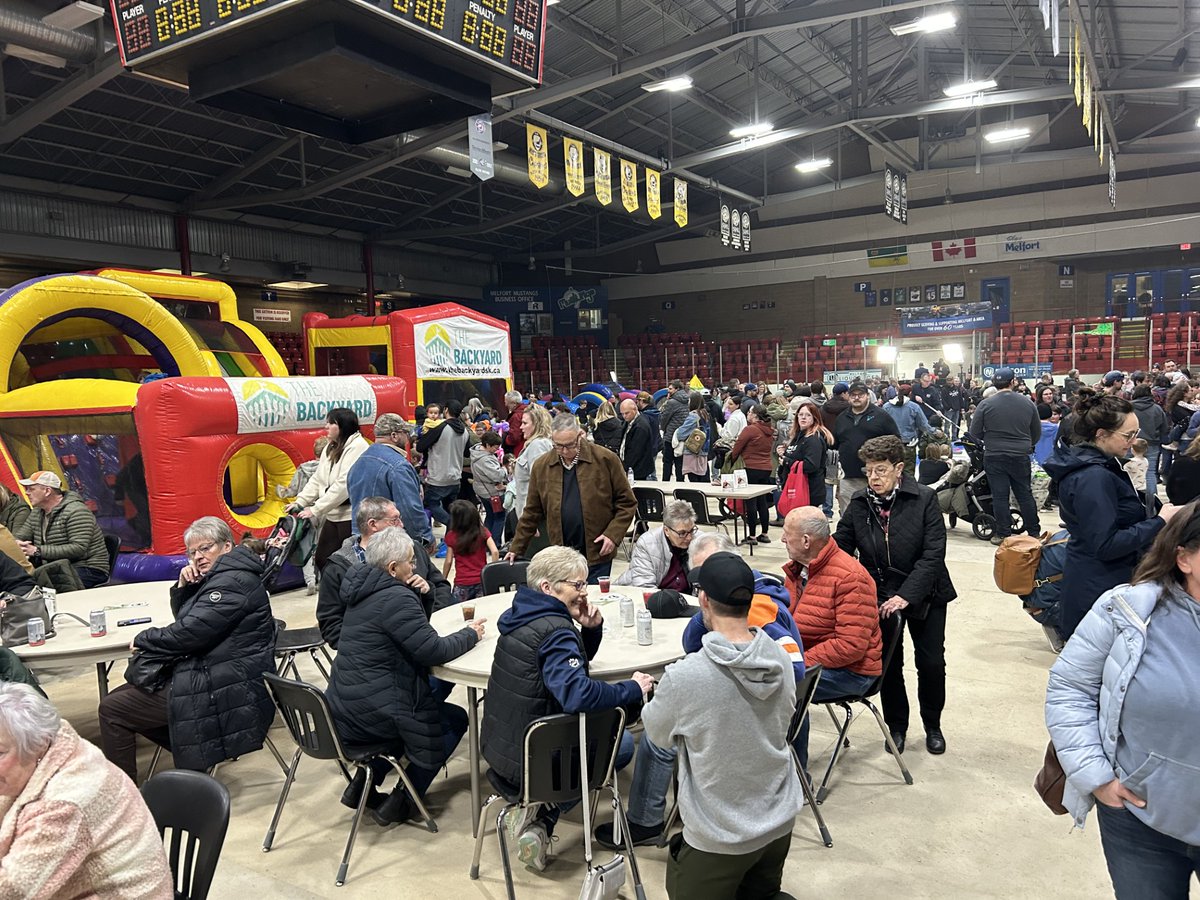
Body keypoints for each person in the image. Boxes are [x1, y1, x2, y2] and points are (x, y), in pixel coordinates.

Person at [596, 533, 804, 851]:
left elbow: (795, 668)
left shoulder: (762, 614)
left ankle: (645, 821)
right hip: (778, 803)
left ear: (706, 596)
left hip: (750, 742)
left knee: (656, 740)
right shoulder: (753, 607)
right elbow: (695, 644)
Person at [1045, 506, 1200, 899]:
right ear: (1184, 558)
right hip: (1139, 820)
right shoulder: (1128, 611)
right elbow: (1071, 688)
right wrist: (1095, 776)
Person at [641, 552, 805, 900]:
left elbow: (656, 735)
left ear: (703, 599)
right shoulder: (779, 657)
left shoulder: (686, 676)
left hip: (720, 836)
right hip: (779, 819)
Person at [480, 546, 655, 872]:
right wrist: (630, 689)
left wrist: (589, 629)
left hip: (500, 749)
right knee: (624, 743)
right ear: (549, 587)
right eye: (577, 585)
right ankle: (544, 815)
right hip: (531, 763)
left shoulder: (522, 614)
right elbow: (576, 695)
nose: (584, 591)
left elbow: (562, 674)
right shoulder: (556, 631)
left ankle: (537, 816)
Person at [97, 516, 276, 781]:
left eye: (206, 548)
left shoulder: (231, 582)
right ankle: (196, 752)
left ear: (227, 546)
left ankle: (123, 795)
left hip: (227, 682)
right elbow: (191, 621)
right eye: (192, 552)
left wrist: (145, 637)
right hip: (215, 667)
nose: (198, 557)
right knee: (128, 694)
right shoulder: (221, 576)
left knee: (113, 708)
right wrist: (184, 587)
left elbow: (188, 634)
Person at [326, 527, 483, 826]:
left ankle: (362, 786)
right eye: (411, 561)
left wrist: (423, 596)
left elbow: (408, 632)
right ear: (393, 567)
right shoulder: (394, 597)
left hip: (346, 706)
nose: (415, 565)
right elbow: (432, 650)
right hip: (375, 711)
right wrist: (470, 634)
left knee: (428, 699)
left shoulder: (363, 589)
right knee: (451, 719)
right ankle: (402, 801)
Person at [835, 436, 955, 755]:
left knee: (930, 662)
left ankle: (933, 725)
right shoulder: (860, 503)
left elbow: (933, 554)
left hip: (926, 592)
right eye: (869, 470)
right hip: (880, 595)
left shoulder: (925, 499)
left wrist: (906, 595)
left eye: (881, 470)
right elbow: (841, 547)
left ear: (899, 468)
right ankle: (896, 727)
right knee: (888, 664)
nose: (874, 477)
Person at [0, 684, 173, 898]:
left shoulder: (63, 803)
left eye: (0, 753)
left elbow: (12, 891)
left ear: (39, 743)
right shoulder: (53, 744)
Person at [1044, 393, 1182, 639]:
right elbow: (1106, 545)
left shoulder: (1102, 466)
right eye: (1128, 435)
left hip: (1102, 581)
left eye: (1135, 433)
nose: (1133, 441)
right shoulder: (1092, 477)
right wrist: (1160, 521)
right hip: (1097, 589)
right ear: (1101, 434)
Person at [781, 507, 882, 772]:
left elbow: (850, 646)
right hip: (810, 659)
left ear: (806, 541)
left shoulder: (850, 578)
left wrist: (797, 662)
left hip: (853, 672)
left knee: (782, 685)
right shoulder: (799, 570)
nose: (781, 539)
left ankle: (796, 779)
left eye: (786, 534)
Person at [506, 414, 637, 583]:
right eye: (558, 446)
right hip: (561, 556)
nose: (565, 451)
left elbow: (627, 503)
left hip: (597, 552)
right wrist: (517, 547)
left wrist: (613, 535)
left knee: (593, 601)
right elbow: (532, 511)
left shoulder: (606, 460)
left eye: (570, 445)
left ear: (580, 435)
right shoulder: (542, 466)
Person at [318, 496, 450, 648]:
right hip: (373, 658)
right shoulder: (338, 567)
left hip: (425, 641)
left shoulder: (413, 549)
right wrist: (372, 646)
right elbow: (331, 625)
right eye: (394, 520)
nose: (401, 525)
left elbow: (441, 586)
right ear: (372, 524)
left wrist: (429, 617)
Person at [288, 407, 370, 570]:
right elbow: (318, 478)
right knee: (322, 559)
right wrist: (301, 501)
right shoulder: (330, 447)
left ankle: (349, 593)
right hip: (333, 515)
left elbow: (343, 485)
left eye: (330, 423)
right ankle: (334, 593)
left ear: (342, 426)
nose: (326, 427)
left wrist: (316, 509)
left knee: (351, 564)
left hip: (350, 515)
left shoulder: (358, 447)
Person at [968, 367, 1042, 545]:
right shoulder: (1028, 403)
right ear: (1013, 382)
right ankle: (1034, 532)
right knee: (1024, 494)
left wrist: (991, 438)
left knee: (1000, 496)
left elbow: (974, 433)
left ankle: (1003, 533)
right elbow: (1036, 432)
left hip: (994, 455)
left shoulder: (985, 404)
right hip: (1020, 455)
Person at [347, 413, 432, 550]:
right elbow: (409, 508)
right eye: (405, 433)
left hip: (362, 539)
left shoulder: (358, 463)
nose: (408, 438)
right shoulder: (398, 466)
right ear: (394, 436)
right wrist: (424, 537)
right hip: (389, 543)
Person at [12, 470, 109, 591]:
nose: (26, 493)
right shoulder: (37, 512)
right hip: (57, 568)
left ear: (47, 491)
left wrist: (37, 551)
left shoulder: (76, 511)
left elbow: (78, 549)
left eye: (31, 489)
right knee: (19, 584)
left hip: (88, 568)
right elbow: (21, 536)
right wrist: (15, 543)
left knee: (37, 588)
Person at [833, 381, 900, 514]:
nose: (856, 398)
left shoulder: (881, 416)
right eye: (853, 395)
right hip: (848, 476)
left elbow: (895, 441)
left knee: (876, 514)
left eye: (860, 394)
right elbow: (835, 443)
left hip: (876, 477)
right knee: (849, 515)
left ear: (868, 396)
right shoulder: (842, 418)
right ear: (848, 396)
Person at [613, 499, 696, 589]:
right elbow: (645, 588)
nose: (689, 537)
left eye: (692, 530)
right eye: (682, 533)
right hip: (636, 595)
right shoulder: (647, 544)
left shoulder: (700, 540)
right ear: (666, 530)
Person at [416, 398, 471, 529]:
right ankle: (450, 544)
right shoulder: (465, 431)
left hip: (438, 477)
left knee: (430, 504)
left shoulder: (441, 428)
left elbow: (420, 447)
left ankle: (454, 527)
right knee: (450, 509)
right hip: (455, 477)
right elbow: (467, 453)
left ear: (446, 410)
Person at [729, 404, 776, 545]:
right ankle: (764, 533)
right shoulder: (769, 431)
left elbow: (737, 448)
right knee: (762, 500)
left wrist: (730, 461)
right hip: (766, 468)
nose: (747, 414)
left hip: (750, 467)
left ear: (755, 415)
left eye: (749, 412)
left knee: (751, 501)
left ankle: (752, 536)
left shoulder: (750, 430)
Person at [442, 499, 498, 603]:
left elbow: (449, 561)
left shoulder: (451, 536)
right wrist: (492, 572)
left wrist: (443, 579)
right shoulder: (483, 532)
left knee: (460, 611)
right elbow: (494, 551)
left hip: (462, 582)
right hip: (481, 580)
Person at [777, 400, 830, 509]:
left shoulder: (813, 439)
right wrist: (785, 452)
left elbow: (811, 465)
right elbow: (798, 454)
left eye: (808, 415)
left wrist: (787, 461)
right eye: (800, 414)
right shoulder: (797, 436)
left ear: (814, 418)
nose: (803, 418)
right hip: (794, 489)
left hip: (809, 491)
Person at [882, 385, 941, 476]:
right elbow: (923, 425)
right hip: (909, 445)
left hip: (891, 445)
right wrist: (935, 432)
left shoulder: (886, 407)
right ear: (910, 394)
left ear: (897, 392)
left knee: (892, 472)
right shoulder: (914, 407)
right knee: (908, 474)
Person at [469, 430, 508, 545]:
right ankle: (495, 543)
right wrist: (505, 469)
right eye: (495, 447)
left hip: (482, 491)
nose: (496, 450)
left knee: (490, 516)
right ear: (487, 445)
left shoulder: (476, 453)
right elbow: (497, 475)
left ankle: (485, 542)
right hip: (492, 492)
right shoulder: (485, 459)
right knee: (499, 517)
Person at [1131, 384, 1169, 500]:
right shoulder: (1157, 408)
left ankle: (1133, 498)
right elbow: (1164, 427)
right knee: (1150, 472)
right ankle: (1153, 502)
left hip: (1131, 442)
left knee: (1129, 471)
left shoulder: (1129, 407)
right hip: (1152, 444)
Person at [674, 393, 714, 483]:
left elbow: (681, 434)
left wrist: (678, 430)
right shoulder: (705, 414)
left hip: (693, 452)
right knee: (703, 479)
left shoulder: (693, 416)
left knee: (694, 481)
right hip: (703, 450)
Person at [619, 398, 658, 481]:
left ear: (635, 409)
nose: (624, 416)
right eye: (622, 414)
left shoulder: (641, 426)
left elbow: (635, 451)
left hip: (638, 470)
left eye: (626, 413)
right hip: (632, 468)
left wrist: (624, 468)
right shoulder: (629, 422)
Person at [659, 380, 691, 481]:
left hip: (670, 436)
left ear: (677, 389)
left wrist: (663, 429)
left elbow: (664, 418)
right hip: (682, 435)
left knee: (667, 462)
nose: (668, 390)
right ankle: (680, 483)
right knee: (679, 462)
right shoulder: (687, 399)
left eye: (670, 388)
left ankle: (665, 483)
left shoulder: (672, 402)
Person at [502, 389, 528, 457]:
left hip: (517, 450)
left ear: (514, 403)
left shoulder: (516, 416)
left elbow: (514, 438)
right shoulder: (526, 411)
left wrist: (505, 439)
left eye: (507, 402)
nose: (505, 404)